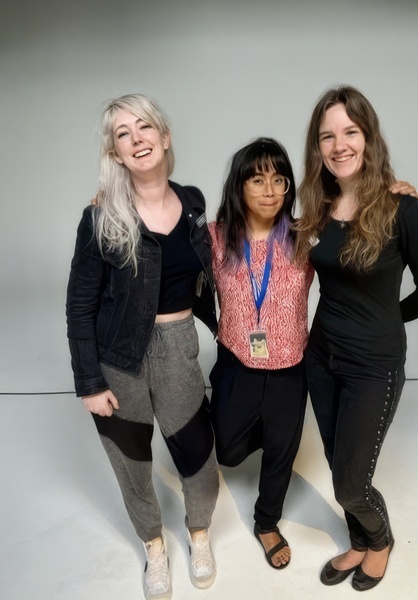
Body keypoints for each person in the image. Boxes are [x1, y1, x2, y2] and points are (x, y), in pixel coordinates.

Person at [294, 86, 418, 591]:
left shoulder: (403, 210)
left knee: (350, 482)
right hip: (321, 359)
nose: (339, 146)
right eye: (327, 137)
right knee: (342, 465)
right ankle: (357, 543)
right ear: (318, 148)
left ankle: (379, 541)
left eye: (350, 133)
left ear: (369, 137)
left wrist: (385, 320)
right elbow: (255, 224)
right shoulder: (318, 207)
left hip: (373, 366)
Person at [66, 94, 219, 597]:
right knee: (131, 463)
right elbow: (79, 306)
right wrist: (90, 383)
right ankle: (154, 547)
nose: (137, 139)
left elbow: (250, 237)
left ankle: (199, 533)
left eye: (145, 127)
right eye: (123, 134)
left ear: (164, 136)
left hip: (179, 348)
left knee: (197, 453)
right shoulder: (100, 219)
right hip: (119, 360)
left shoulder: (194, 202)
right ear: (115, 153)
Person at [208, 138, 314, 569]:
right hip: (238, 363)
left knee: (281, 451)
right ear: (239, 186)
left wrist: (395, 193)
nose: (270, 190)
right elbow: (161, 235)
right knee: (228, 451)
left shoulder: (307, 236)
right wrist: (114, 202)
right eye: (257, 179)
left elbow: (359, 219)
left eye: (279, 179)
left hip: (291, 368)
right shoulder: (214, 238)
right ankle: (260, 431)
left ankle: (267, 522)